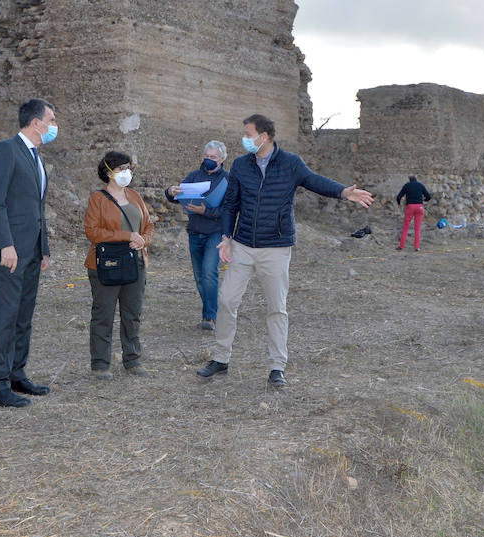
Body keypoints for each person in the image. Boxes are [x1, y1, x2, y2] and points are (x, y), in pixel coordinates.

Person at [198, 114, 373, 387]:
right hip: (242, 245)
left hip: (276, 248)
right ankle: (220, 359)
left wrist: (342, 192)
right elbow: (231, 203)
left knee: (276, 308)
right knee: (227, 301)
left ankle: (277, 366)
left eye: (248, 134)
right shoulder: (241, 165)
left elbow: (314, 180)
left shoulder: (291, 163)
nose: (244, 139)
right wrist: (226, 237)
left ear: (264, 136)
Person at [0, 99, 57, 408]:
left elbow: (38, 208)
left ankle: (16, 374)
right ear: (36, 123)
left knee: (24, 315)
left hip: (32, 249)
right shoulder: (6, 150)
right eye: (51, 120)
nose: (54, 126)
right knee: (7, 313)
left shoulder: (36, 157)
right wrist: (6, 244)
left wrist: (43, 248)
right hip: (9, 248)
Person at [85, 151, 156, 380]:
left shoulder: (135, 196)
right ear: (108, 172)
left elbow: (149, 225)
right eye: (121, 168)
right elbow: (92, 232)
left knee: (132, 314)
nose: (127, 172)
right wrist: (127, 236)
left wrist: (143, 240)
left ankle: (133, 360)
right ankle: (100, 364)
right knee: (103, 314)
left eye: (129, 168)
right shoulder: (97, 199)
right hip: (106, 264)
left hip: (136, 263)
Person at [165, 142, 229, 330]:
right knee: (200, 277)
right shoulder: (194, 176)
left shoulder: (227, 180)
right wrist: (170, 191)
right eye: (206, 156)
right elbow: (177, 196)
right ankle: (212, 311)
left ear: (222, 159)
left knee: (209, 272)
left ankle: (210, 317)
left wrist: (206, 211)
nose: (209, 160)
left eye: (213, 157)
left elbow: (229, 210)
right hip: (194, 232)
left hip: (215, 233)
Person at [395, 175, 431, 251]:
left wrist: (399, 204)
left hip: (410, 207)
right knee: (417, 228)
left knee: (406, 227)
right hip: (420, 207)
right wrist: (423, 200)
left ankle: (401, 246)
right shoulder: (420, 185)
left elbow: (399, 197)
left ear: (409, 180)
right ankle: (417, 247)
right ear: (416, 179)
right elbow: (428, 197)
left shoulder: (407, 185)